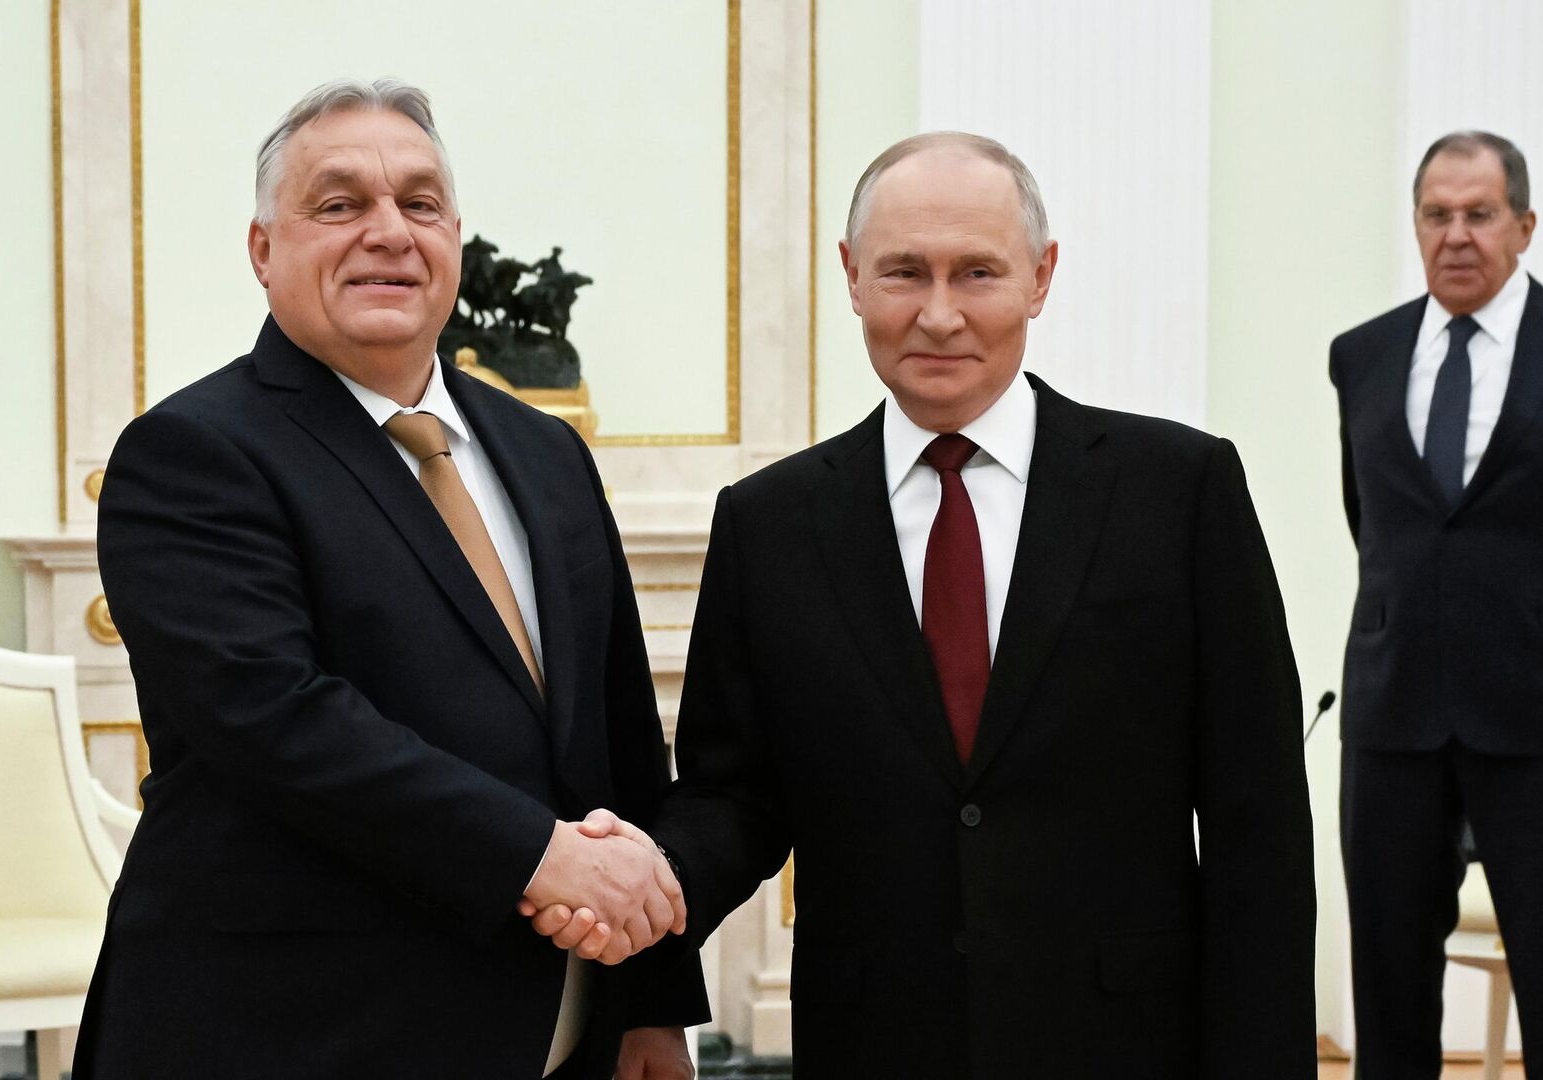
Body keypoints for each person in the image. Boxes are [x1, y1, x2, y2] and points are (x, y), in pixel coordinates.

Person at [537, 132, 1317, 1076]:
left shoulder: (1180, 491)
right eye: (905, 272)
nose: (938, 315)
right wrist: (646, 884)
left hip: (1125, 1044)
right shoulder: (771, 524)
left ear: (1041, 277)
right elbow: (733, 795)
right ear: (853, 277)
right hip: (874, 1043)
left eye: (977, 273)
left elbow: (1257, 823)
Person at [71, 79, 705, 1080]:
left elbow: (618, 731)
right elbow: (281, 723)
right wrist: (540, 856)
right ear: (262, 251)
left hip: (560, 1036)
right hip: (296, 1036)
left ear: (455, 235)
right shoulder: (192, 453)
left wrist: (653, 1005)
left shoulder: (546, 451)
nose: (387, 233)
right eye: (338, 205)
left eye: (419, 204)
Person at [1330, 129, 1543, 1077]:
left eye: (1480, 214)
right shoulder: (1361, 356)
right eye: (1436, 215)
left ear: (1525, 226)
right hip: (1392, 711)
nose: (1457, 235)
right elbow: (1372, 523)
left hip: (1536, 713)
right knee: (1389, 988)